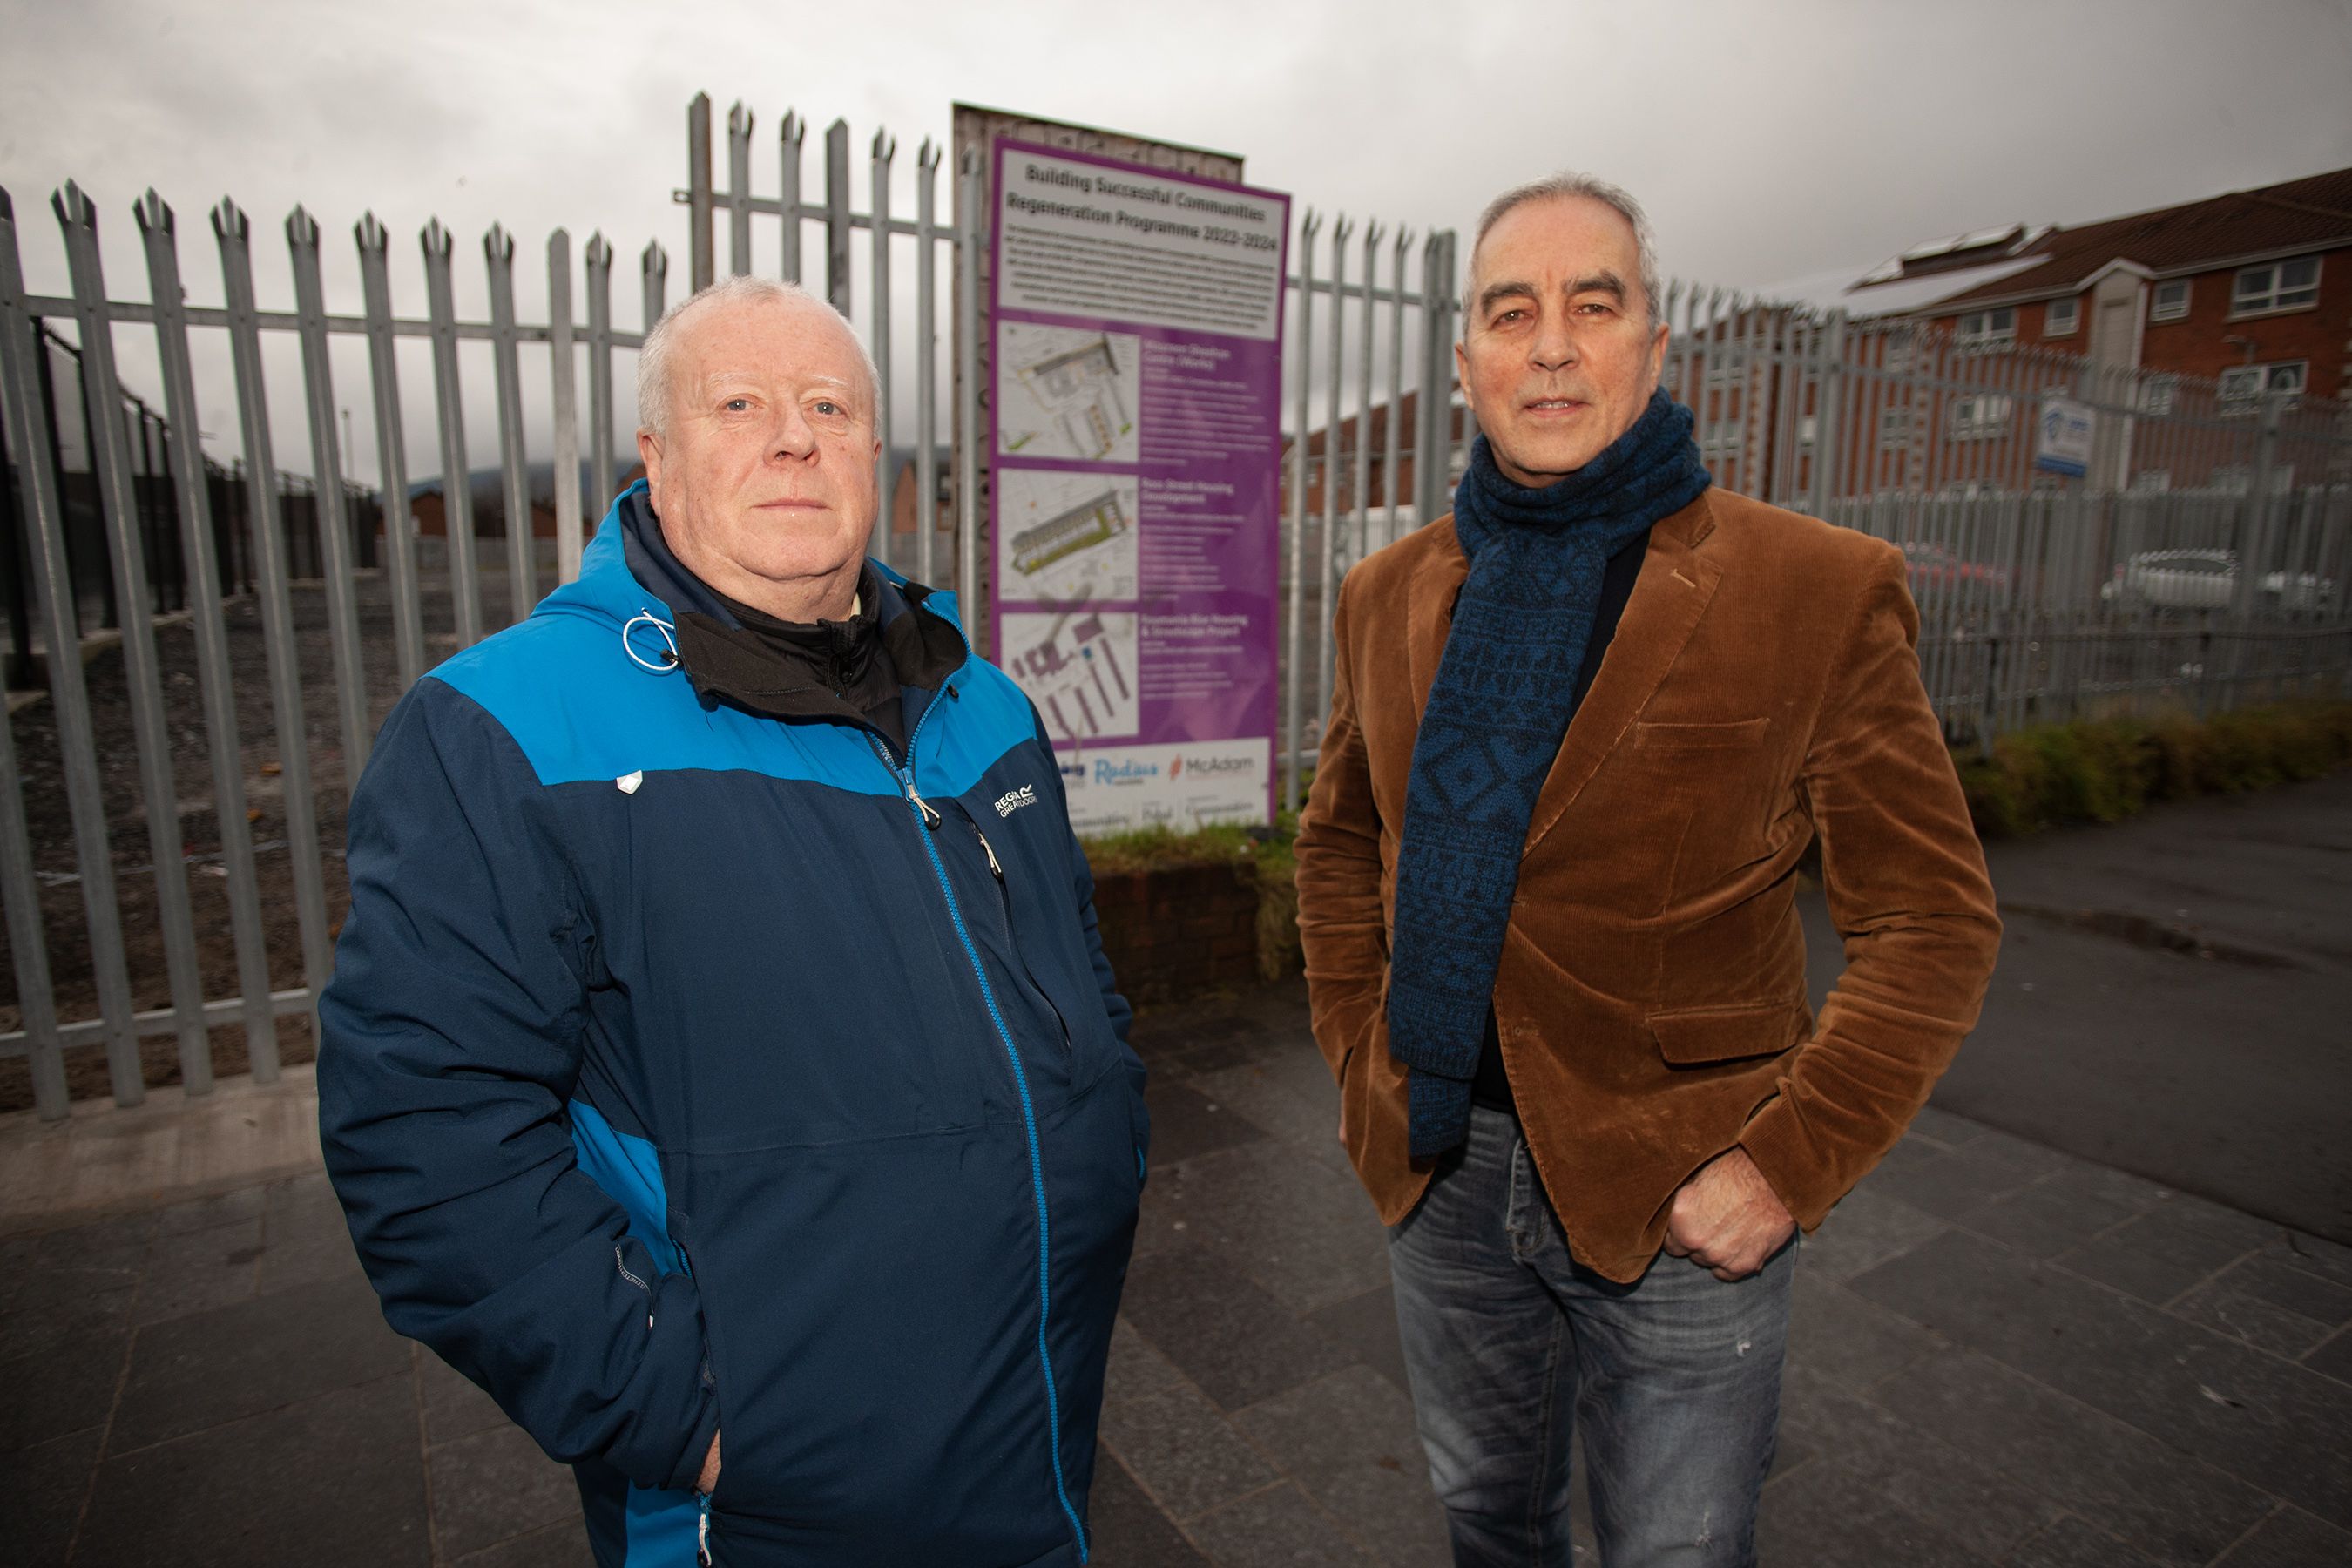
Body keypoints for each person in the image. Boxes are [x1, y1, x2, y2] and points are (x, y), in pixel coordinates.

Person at [318, 275, 1147, 1568]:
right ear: (657, 454)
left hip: (1035, 1425)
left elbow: (1078, 980)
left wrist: (1106, 1144)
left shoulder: (982, 702)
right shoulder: (506, 729)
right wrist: (690, 1418)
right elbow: (426, 1137)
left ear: (877, 448)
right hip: (766, 1503)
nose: (795, 437)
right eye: (740, 402)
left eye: (830, 403)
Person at [1293, 173, 2002, 1567]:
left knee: (1677, 1553)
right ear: (1467, 363)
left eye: (1591, 304)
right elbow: (1337, 840)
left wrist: (1784, 1166)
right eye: (1513, 311)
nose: (1551, 344)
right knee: (1489, 1521)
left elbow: (1932, 921)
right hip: (1441, 1170)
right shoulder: (1387, 592)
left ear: (1653, 346)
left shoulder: (1815, 587)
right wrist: (1358, 1056)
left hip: (1686, 1192)